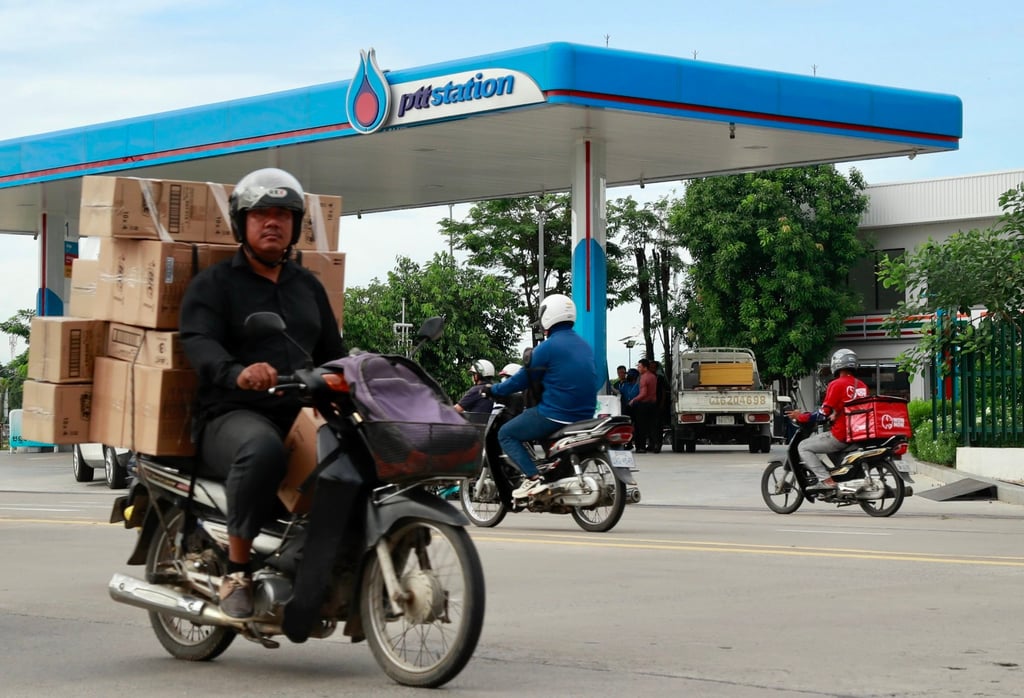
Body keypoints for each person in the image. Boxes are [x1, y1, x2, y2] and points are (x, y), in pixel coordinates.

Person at [179, 167, 346, 620]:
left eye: (283, 214)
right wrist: (237, 373)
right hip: (230, 413)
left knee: (355, 450)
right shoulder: (215, 285)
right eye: (261, 214)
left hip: (298, 412)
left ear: (295, 225)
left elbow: (332, 352)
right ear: (241, 223)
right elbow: (199, 341)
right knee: (261, 448)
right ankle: (237, 571)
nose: (272, 222)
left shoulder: (307, 286)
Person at [487, 294, 597, 500]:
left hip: (556, 414)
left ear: (548, 316)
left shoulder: (547, 347)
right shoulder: (585, 345)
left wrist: (495, 390)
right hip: (585, 415)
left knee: (506, 434)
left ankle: (533, 477)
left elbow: (520, 380)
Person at [785, 348, 868, 491]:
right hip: (859, 433)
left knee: (803, 447)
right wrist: (836, 413)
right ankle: (844, 478)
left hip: (842, 435)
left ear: (836, 364)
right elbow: (852, 407)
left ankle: (826, 480)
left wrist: (801, 416)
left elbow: (823, 413)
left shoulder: (836, 384)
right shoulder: (862, 385)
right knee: (830, 450)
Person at [629, 359, 660, 453]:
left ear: (645, 368)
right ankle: (655, 445)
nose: (638, 368)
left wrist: (633, 400)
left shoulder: (643, 378)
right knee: (652, 426)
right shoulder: (653, 377)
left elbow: (643, 394)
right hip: (653, 404)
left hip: (643, 405)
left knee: (640, 427)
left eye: (639, 367)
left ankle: (641, 447)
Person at [454, 359, 495, 424]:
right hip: (485, 427)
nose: (472, 377)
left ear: (477, 375)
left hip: (472, 428)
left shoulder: (477, 390)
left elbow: (456, 409)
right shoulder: (493, 389)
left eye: (473, 374)